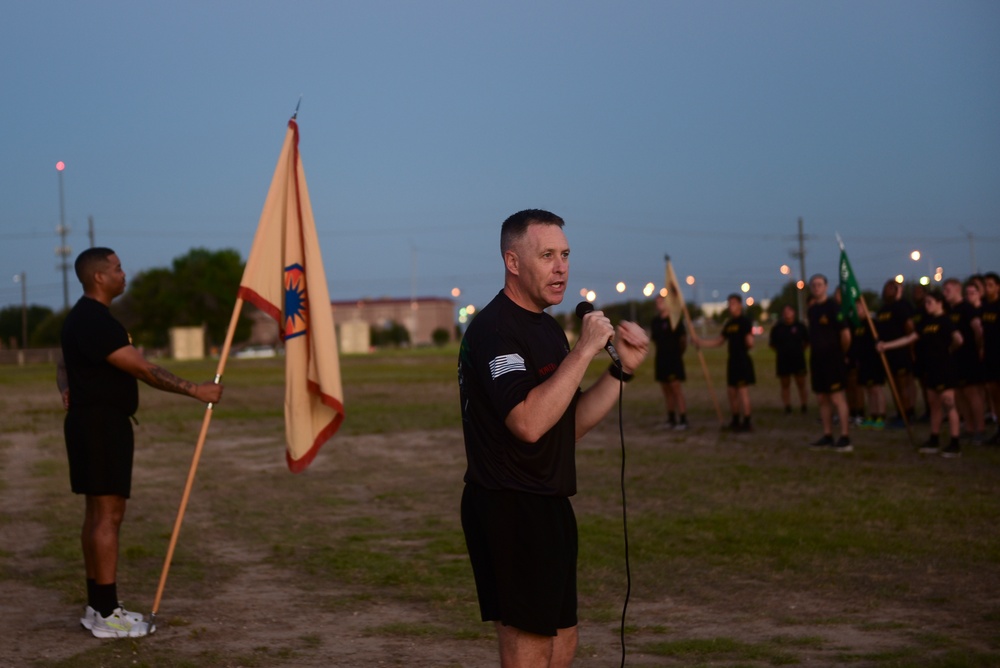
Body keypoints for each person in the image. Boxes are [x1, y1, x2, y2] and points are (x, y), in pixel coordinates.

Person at [458, 210, 649, 667]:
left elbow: (571, 423)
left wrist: (621, 370)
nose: (561, 267)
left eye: (565, 255)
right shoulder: (494, 331)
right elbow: (527, 422)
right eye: (547, 256)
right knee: (528, 643)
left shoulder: (547, 328)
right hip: (508, 504)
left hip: (549, 501)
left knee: (562, 638)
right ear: (513, 261)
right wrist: (584, 349)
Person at [57, 247, 224, 639]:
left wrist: (66, 388)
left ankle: (98, 608)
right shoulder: (95, 320)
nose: (123, 273)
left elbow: (63, 364)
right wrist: (196, 390)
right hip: (100, 426)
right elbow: (144, 369)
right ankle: (106, 613)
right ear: (98, 277)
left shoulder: (81, 318)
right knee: (108, 516)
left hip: (91, 423)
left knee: (97, 514)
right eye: (116, 268)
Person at [879, 290, 962, 457]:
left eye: (930, 302)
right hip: (930, 368)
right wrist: (886, 345)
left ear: (940, 303)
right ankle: (934, 438)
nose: (927, 305)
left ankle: (955, 442)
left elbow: (959, 339)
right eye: (926, 302)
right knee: (934, 404)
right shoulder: (925, 322)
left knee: (949, 403)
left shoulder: (945, 321)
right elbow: (909, 338)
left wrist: (949, 351)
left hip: (944, 369)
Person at [691, 294, 755, 432]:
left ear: (740, 305)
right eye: (729, 303)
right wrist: (700, 342)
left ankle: (747, 422)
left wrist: (748, 343)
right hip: (732, 361)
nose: (731, 306)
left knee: (743, 392)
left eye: (733, 303)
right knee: (731, 391)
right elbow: (719, 341)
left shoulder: (745, 321)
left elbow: (750, 342)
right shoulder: (729, 324)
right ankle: (736, 420)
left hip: (742, 360)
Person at [806, 274, 852, 452]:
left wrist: (840, 353)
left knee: (836, 397)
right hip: (817, 360)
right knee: (821, 398)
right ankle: (827, 435)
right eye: (813, 285)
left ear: (826, 286)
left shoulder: (834, 307)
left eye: (819, 284)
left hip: (833, 360)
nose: (816, 287)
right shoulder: (812, 310)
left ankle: (845, 436)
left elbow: (846, 335)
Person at [943, 277, 986, 443]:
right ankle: (968, 427)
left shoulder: (967, 308)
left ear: (957, 289)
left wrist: (979, 347)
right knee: (959, 394)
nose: (945, 293)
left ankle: (980, 429)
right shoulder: (950, 311)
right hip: (955, 359)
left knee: (972, 393)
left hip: (969, 356)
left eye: (948, 290)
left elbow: (977, 329)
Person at [874, 280, 916, 427]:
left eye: (892, 288)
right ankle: (900, 412)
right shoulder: (882, 310)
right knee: (894, 385)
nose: (888, 290)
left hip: (901, 351)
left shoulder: (902, 306)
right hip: (887, 353)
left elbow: (909, 326)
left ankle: (907, 413)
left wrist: (911, 348)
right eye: (886, 288)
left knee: (903, 383)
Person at [650, 294, 688, 430]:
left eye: (661, 301)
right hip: (661, 359)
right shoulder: (655, 321)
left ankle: (683, 419)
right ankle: (671, 418)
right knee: (666, 390)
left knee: (676, 389)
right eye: (657, 301)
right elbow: (655, 340)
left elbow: (683, 340)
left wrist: (678, 353)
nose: (659, 303)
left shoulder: (675, 319)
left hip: (674, 360)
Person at [768, 304, 809, 415]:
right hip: (783, 360)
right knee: (785, 384)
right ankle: (787, 406)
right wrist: (781, 351)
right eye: (785, 312)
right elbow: (772, 344)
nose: (787, 314)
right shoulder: (777, 328)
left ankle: (804, 405)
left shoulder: (800, 326)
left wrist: (800, 351)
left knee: (801, 383)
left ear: (794, 312)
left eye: (789, 311)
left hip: (798, 359)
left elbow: (807, 342)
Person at [981, 272, 1000, 444]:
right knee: (994, 394)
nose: (987, 289)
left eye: (990, 285)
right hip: (990, 356)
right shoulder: (985, 308)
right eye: (985, 285)